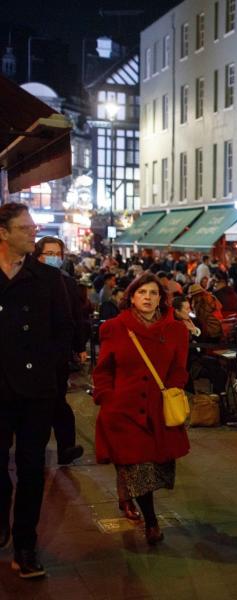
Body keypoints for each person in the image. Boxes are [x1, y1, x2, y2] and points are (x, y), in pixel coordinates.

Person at [0, 205, 74, 577]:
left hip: (36, 391)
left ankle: (26, 546)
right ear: (3, 233)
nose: (34, 232)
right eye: (25, 227)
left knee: (31, 469)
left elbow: (66, 331)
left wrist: (46, 366)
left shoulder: (47, 278)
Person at [93, 273, 189, 547]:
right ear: (131, 297)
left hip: (158, 412)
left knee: (155, 467)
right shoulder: (114, 328)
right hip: (123, 409)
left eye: (153, 293)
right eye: (142, 292)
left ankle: (126, 492)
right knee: (138, 466)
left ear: (161, 298)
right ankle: (152, 522)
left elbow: (179, 369)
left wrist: (173, 390)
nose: (148, 297)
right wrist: (106, 398)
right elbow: (104, 370)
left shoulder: (176, 330)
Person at [34, 236, 88, 466]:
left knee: (57, 399)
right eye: (49, 253)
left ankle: (65, 447)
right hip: (33, 353)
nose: (54, 258)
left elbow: (76, 317)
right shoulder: (29, 280)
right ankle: (38, 447)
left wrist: (78, 346)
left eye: (58, 254)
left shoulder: (67, 282)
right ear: (38, 255)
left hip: (58, 353)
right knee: (42, 402)